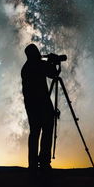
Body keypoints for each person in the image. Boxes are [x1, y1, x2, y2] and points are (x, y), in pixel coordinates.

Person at [21, 43, 60, 171]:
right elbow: (54, 73)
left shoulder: (25, 68)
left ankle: (32, 165)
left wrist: (49, 62)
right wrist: (53, 62)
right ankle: (44, 163)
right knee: (47, 130)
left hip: (31, 107)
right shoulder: (39, 64)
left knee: (34, 133)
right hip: (43, 104)